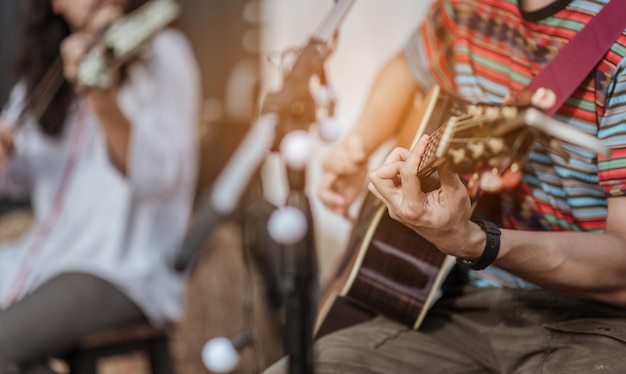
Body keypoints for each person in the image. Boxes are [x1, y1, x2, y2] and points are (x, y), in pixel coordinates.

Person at [266, 0, 626, 373]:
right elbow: (409, 66)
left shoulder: (617, 36)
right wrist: (360, 144)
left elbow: (622, 271)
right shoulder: (466, 6)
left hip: (598, 326)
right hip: (459, 306)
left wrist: (474, 242)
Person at [0, 0, 201, 372]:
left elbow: (160, 178)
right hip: (47, 258)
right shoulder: (45, 69)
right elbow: (19, 177)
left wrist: (103, 100)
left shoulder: (163, 53)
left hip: (123, 268)